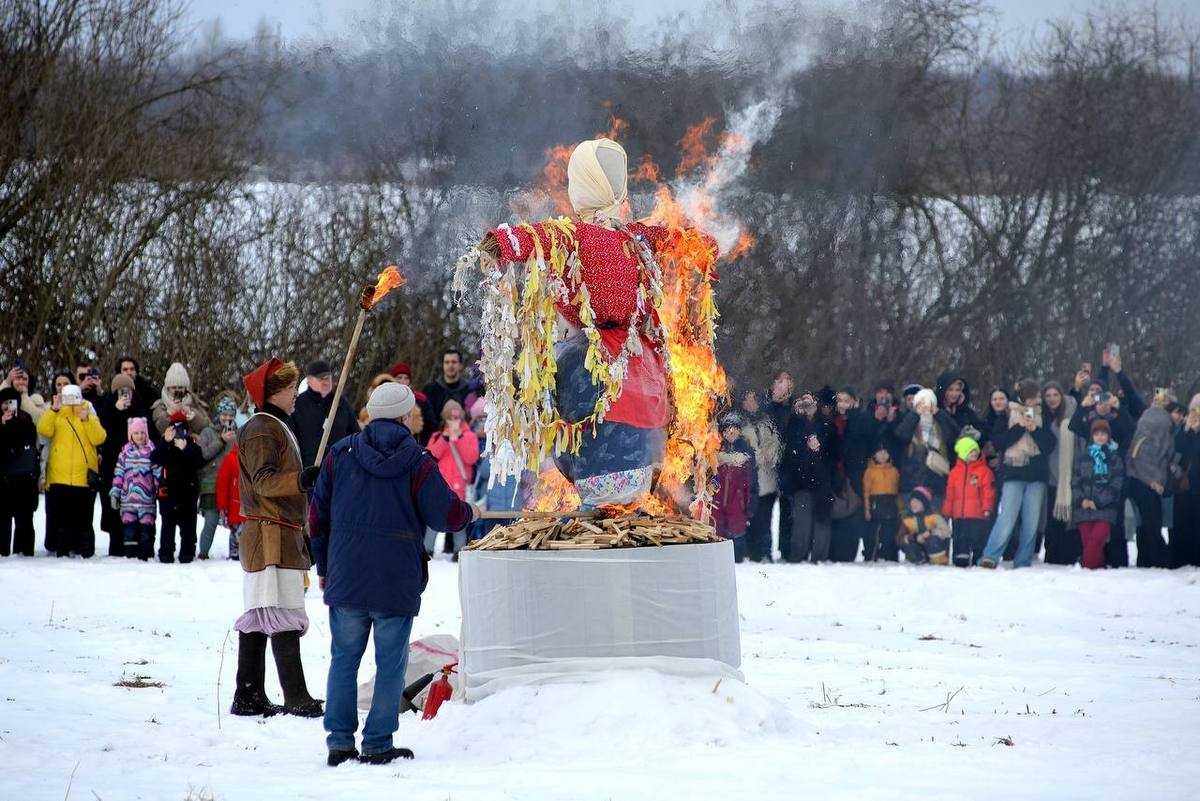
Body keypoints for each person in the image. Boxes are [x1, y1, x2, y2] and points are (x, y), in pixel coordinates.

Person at [310, 381, 478, 766]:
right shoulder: (417, 461)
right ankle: (378, 742)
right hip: (395, 579)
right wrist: (469, 513)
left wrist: (324, 566)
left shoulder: (340, 454)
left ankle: (339, 741)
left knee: (344, 659)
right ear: (405, 417)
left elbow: (317, 517)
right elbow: (445, 515)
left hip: (347, 574)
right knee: (390, 664)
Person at [230, 358, 323, 719]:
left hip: (280, 532)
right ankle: (295, 696)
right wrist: (300, 481)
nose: (294, 394)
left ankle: (248, 695)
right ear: (273, 393)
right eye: (289, 388)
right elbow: (264, 480)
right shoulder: (261, 428)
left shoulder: (275, 425)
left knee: (264, 610)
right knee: (277, 609)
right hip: (268, 534)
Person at [979, 380, 1056, 569]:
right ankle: (990, 555)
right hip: (1013, 471)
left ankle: (1023, 560)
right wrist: (1019, 427)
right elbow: (999, 442)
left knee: (1031, 521)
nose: (1033, 402)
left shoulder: (1043, 414)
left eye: (1035, 398)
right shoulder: (1007, 413)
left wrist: (1034, 430)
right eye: (1029, 398)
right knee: (1007, 516)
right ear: (1022, 397)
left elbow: (1049, 444)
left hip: (1037, 473)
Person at [1069, 381, 1137, 567]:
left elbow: (1132, 428)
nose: (1102, 404)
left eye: (1105, 400)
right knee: (1090, 531)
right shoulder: (1089, 420)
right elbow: (1073, 426)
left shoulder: (1117, 419)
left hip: (1113, 477)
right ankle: (1094, 561)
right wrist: (1083, 407)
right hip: (1089, 484)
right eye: (1098, 401)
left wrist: (1119, 407)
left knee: (1115, 524)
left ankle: (1115, 560)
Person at [38, 384, 106, 557]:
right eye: (67, 396)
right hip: (59, 475)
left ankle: (83, 549)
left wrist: (87, 419)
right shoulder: (56, 412)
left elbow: (100, 437)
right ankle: (61, 549)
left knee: (83, 518)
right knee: (61, 518)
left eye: (74, 396)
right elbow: (43, 431)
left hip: (82, 476)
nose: (71, 400)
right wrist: (54, 409)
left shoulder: (88, 411)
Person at [97, 372, 155, 556]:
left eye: (128, 390)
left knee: (143, 515)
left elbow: (149, 433)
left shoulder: (140, 408)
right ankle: (117, 547)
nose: (125, 394)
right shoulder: (107, 407)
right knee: (114, 510)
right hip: (114, 466)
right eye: (120, 391)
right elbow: (102, 432)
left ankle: (142, 548)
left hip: (140, 470)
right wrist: (115, 410)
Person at [783, 390, 834, 563]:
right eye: (804, 403)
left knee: (822, 520)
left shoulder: (826, 424)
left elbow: (833, 453)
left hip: (823, 480)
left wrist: (819, 450)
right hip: (801, 481)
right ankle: (798, 555)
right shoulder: (795, 423)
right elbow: (790, 449)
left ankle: (819, 556)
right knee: (801, 522)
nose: (808, 406)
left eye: (810, 402)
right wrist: (795, 415)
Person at [424, 400, 480, 557]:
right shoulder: (437, 436)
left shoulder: (469, 436)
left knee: (459, 517)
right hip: (439, 484)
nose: (453, 421)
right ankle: (426, 548)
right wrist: (445, 439)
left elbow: (471, 458)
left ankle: (459, 550)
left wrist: (459, 439)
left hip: (460, 485)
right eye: (450, 418)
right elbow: (430, 456)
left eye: (456, 418)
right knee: (433, 517)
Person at [1125, 397, 1175, 568]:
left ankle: (1146, 559)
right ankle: (1158, 559)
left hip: (1138, 479)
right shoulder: (1160, 422)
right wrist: (1154, 480)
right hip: (1145, 481)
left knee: (1145, 523)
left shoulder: (1147, 420)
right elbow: (1147, 455)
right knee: (1151, 521)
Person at [152, 409, 206, 563]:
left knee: (188, 527)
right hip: (169, 493)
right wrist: (166, 442)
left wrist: (186, 449)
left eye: (182, 429)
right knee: (167, 526)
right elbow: (155, 457)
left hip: (188, 493)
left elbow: (199, 462)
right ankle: (165, 552)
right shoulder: (166, 445)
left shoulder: (192, 446)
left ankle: (187, 552)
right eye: (175, 429)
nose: (179, 433)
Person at [1072, 419, 1125, 569]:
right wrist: (1082, 499)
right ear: (1092, 436)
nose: (1100, 437)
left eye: (1103, 434)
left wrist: (1099, 501)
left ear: (1108, 436)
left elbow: (1116, 484)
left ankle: (1086, 569)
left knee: (1096, 540)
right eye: (1097, 434)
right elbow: (1075, 481)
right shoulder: (1083, 456)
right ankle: (1098, 570)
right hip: (1084, 508)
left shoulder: (1114, 458)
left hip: (1105, 509)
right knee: (1088, 541)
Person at [893, 387, 958, 505]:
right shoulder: (909, 419)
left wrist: (939, 414)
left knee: (936, 519)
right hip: (912, 480)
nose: (925, 406)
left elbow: (952, 436)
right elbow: (901, 436)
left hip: (937, 479)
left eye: (928, 402)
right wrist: (915, 414)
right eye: (921, 402)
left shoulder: (941, 420)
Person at [108, 417, 160, 560]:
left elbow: (157, 473)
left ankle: (146, 554)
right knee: (129, 531)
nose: (140, 436)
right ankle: (130, 554)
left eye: (142, 433)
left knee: (146, 531)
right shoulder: (124, 453)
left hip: (146, 501)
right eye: (136, 433)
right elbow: (118, 474)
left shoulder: (152, 452)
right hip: (128, 500)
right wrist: (115, 493)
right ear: (131, 434)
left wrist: (158, 489)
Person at [740, 390, 781, 563]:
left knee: (765, 518)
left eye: (753, 399)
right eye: (746, 400)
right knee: (750, 516)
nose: (750, 403)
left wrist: (770, 454)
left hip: (767, 478)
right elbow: (741, 447)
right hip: (749, 478)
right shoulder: (741, 424)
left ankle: (765, 552)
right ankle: (750, 552)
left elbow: (776, 443)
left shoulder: (767, 422)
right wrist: (756, 455)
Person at [291, 360, 357, 469]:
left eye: (328, 378)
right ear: (309, 381)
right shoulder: (298, 405)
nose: (325, 381)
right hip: (311, 471)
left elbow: (355, 433)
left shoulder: (341, 404)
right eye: (321, 378)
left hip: (340, 468)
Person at [942, 435, 995, 567]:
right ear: (963, 453)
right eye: (970, 451)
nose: (974, 453)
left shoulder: (984, 471)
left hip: (977, 514)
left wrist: (987, 508)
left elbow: (988, 492)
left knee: (978, 538)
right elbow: (950, 494)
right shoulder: (954, 472)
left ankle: (978, 558)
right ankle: (960, 559)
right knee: (959, 538)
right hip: (959, 515)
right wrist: (947, 511)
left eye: (976, 450)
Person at [1042, 382, 1080, 565]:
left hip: (1069, 474)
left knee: (1069, 517)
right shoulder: (1043, 416)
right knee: (1052, 517)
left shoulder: (1071, 417)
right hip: (1050, 474)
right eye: (1048, 396)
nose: (1051, 399)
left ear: (1061, 396)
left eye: (1055, 395)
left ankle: (1068, 555)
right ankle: (1052, 556)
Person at [198, 394, 239, 559]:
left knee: (237, 521)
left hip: (233, 485)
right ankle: (203, 553)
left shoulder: (239, 433)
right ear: (218, 415)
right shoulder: (208, 432)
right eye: (224, 415)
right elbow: (203, 455)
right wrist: (221, 440)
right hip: (211, 483)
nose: (227, 418)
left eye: (230, 415)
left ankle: (236, 552)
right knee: (211, 520)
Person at [0, 385, 39, 556]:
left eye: (12, 402)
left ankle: (24, 553)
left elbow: (30, 442)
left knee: (25, 521)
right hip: (3, 478)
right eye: (5, 403)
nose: (8, 406)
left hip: (24, 477)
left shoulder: (26, 419)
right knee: (3, 520)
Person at [714, 413, 757, 563]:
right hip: (718, 500)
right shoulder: (715, 450)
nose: (731, 432)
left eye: (734, 429)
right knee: (718, 529)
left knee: (737, 530)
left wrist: (751, 504)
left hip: (738, 501)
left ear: (739, 431)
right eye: (727, 429)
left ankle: (738, 559)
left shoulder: (746, 452)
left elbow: (752, 482)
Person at [764, 371, 796, 560]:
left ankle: (786, 550)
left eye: (786, 381)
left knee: (787, 510)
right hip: (769, 465)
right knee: (765, 509)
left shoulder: (794, 408)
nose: (783, 385)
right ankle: (764, 550)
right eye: (779, 381)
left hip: (788, 465)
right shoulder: (766, 407)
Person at [1171, 394, 1200, 568]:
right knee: (1181, 523)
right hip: (1184, 485)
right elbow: (1177, 453)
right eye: (1194, 409)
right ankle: (1180, 558)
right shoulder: (1182, 430)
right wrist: (1188, 431)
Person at [151, 362, 213, 439]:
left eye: (180, 387)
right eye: (174, 387)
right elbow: (157, 429)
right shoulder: (160, 405)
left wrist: (192, 415)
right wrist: (169, 414)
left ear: (185, 388)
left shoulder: (195, 403)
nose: (177, 390)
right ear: (168, 388)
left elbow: (205, 427)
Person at [421, 350, 471, 443]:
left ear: (460, 365)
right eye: (447, 362)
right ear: (443, 365)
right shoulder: (430, 390)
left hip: (464, 441)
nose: (450, 365)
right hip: (435, 442)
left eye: (454, 362)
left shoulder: (469, 390)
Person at [862, 444, 901, 561]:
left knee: (890, 531)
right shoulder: (869, 471)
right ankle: (871, 556)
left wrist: (900, 508)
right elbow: (866, 492)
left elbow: (898, 490)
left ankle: (890, 557)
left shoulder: (894, 470)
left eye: (885, 452)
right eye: (879, 453)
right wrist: (867, 509)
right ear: (874, 455)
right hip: (876, 502)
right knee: (874, 532)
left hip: (891, 502)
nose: (883, 455)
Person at [898, 486, 951, 565]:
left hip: (934, 549)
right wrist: (914, 537)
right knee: (909, 545)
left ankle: (938, 563)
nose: (914, 504)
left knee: (934, 541)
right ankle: (918, 560)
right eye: (912, 501)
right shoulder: (907, 519)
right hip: (917, 549)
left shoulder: (935, 516)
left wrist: (931, 533)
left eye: (917, 501)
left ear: (924, 503)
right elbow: (899, 538)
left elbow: (947, 532)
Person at [215, 441, 245, 561]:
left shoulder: (255, 458)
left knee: (247, 532)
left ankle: (246, 553)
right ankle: (235, 553)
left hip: (249, 506)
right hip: (235, 505)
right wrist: (222, 506)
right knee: (236, 531)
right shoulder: (230, 458)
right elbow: (223, 484)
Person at [936, 371, 982, 435]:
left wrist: (977, 434)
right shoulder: (936, 409)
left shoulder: (965, 411)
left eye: (957, 390)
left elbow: (981, 428)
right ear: (943, 390)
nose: (954, 394)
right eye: (950, 389)